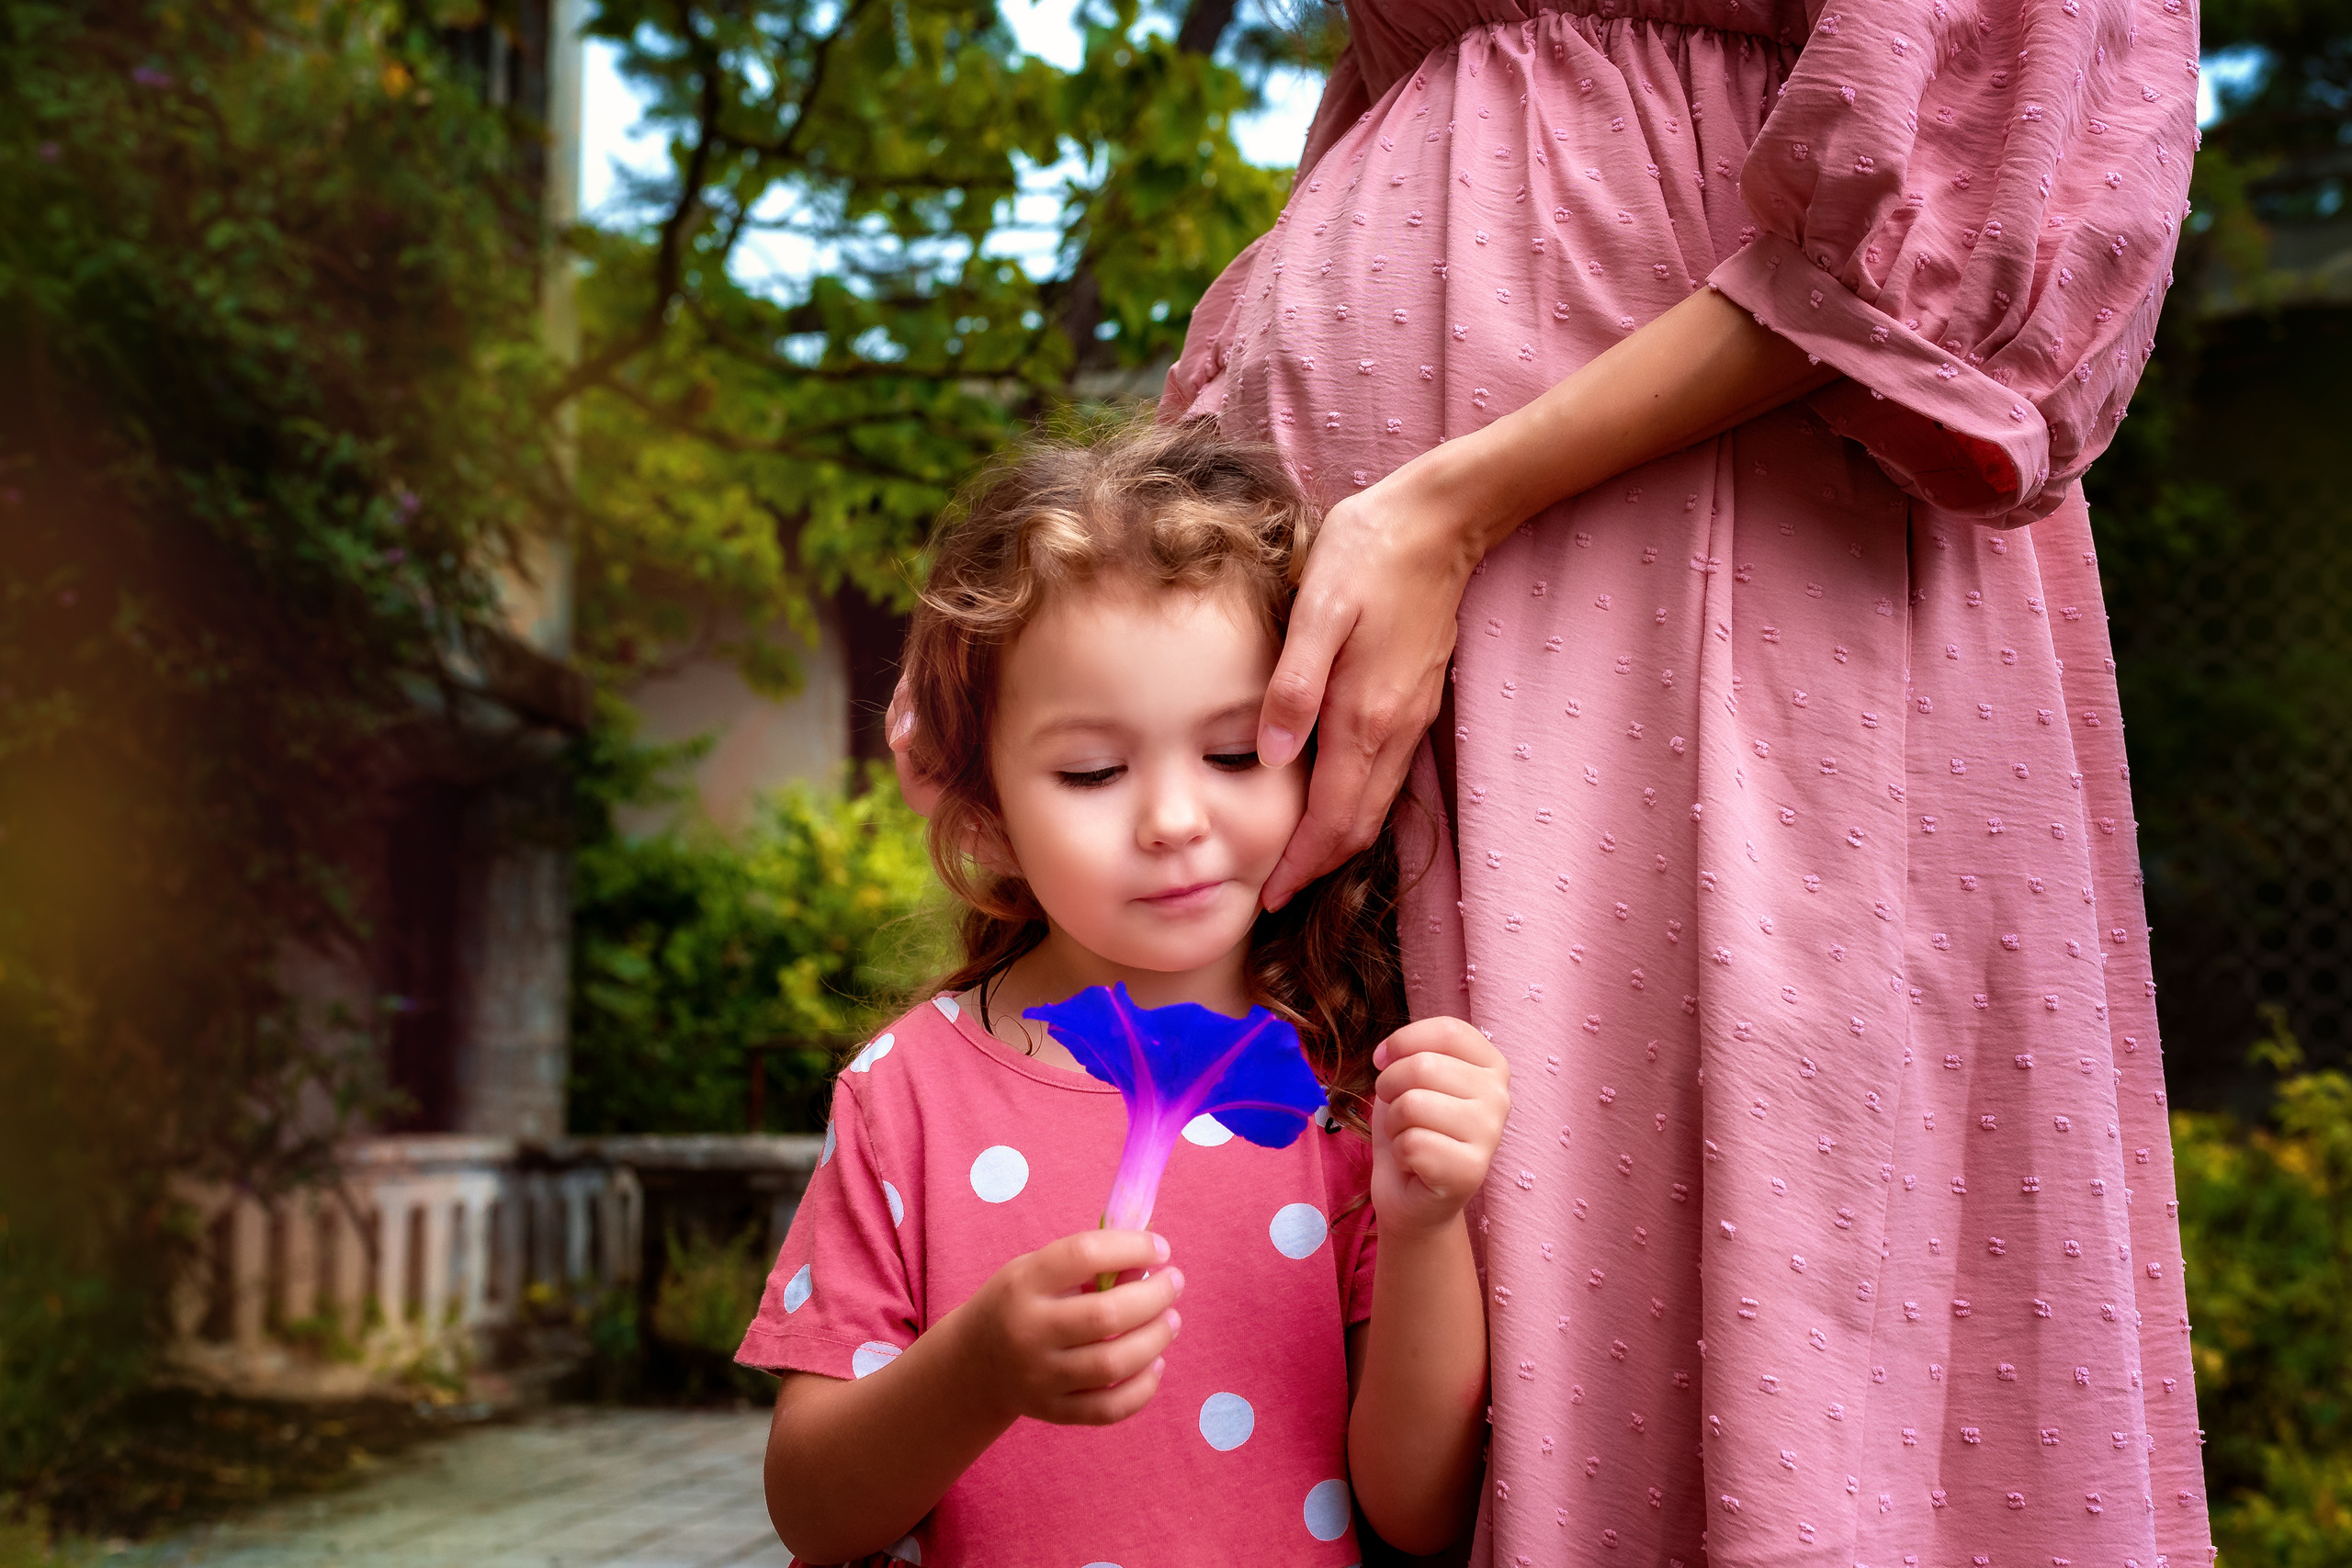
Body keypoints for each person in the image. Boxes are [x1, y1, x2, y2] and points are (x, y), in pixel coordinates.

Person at [1138, 0, 2214, 1560]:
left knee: (1712, 1303)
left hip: (1712, 559)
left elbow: (1983, 135)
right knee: (1381, 1283)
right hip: (1367, 618)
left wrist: (1457, 501)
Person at [740, 422, 1512, 1567]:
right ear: (986, 804)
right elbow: (811, 1511)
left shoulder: (1348, 1083)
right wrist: (980, 1365)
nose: (1172, 820)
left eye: (1238, 752)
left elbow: (1421, 1512)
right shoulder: (906, 1093)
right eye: (1093, 771)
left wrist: (1423, 1224)